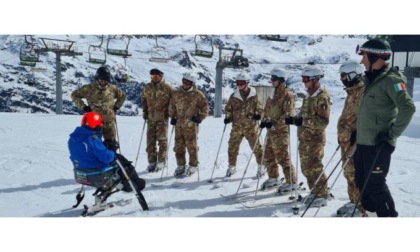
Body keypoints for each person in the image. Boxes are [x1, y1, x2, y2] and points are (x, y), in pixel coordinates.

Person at [355, 38, 415, 217]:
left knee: (375, 185)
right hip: (364, 142)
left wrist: (391, 135)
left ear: (374, 57)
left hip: (379, 145)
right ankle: (373, 216)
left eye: (364, 56)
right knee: (361, 182)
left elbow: (408, 107)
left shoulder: (391, 81)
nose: (361, 60)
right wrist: (356, 133)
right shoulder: (370, 79)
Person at [68, 112, 148, 211]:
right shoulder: (92, 139)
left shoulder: (73, 138)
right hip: (96, 174)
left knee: (115, 158)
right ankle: (134, 184)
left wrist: (103, 146)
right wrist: (112, 150)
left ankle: (114, 187)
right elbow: (107, 158)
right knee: (120, 160)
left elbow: (86, 153)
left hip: (80, 173)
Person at [285, 65, 331, 208]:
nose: (304, 82)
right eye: (303, 79)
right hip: (305, 139)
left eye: (306, 79)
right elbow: (304, 115)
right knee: (306, 168)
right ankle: (315, 191)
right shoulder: (309, 96)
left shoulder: (321, 97)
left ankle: (322, 195)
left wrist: (303, 121)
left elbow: (323, 122)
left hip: (315, 139)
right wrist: (294, 119)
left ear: (315, 80)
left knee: (315, 167)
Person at [336, 60, 366, 217]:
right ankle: (354, 201)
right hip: (347, 141)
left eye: (344, 76)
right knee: (348, 173)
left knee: (357, 174)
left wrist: (358, 134)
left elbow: (368, 117)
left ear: (354, 74)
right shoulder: (352, 92)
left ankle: (362, 207)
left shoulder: (363, 92)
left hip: (357, 143)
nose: (342, 79)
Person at [260, 68, 297, 191]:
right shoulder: (273, 93)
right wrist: (264, 120)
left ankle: (291, 181)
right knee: (268, 154)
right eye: (271, 79)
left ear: (281, 80)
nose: (272, 81)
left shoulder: (287, 94)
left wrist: (274, 124)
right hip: (271, 131)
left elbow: (288, 115)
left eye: (274, 79)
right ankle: (273, 177)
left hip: (280, 131)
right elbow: (267, 109)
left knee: (282, 156)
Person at [71, 66, 126, 144]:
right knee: (95, 144)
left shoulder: (113, 88)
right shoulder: (89, 88)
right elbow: (74, 95)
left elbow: (122, 96)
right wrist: (84, 107)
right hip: (94, 122)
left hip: (109, 121)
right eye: (101, 80)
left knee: (111, 144)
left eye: (105, 80)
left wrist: (117, 106)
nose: (103, 82)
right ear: (97, 78)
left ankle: (111, 155)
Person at [168, 72, 209, 177]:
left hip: (191, 125)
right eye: (184, 81)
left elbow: (205, 108)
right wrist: (172, 117)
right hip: (179, 125)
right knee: (179, 146)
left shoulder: (198, 94)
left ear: (192, 83)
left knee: (191, 146)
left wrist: (199, 117)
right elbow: (172, 106)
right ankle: (181, 165)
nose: (185, 84)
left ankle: (193, 165)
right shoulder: (177, 93)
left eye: (188, 82)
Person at [224, 71, 264, 177]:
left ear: (247, 83)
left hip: (250, 127)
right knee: (232, 146)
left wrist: (258, 114)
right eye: (238, 82)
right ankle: (232, 166)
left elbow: (260, 107)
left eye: (242, 82)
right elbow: (228, 108)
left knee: (256, 147)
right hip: (237, 126)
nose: (239, 85)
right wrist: (228, 117)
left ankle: (261, 166)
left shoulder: (254, 96)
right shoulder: (233, 96)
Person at [141, 68, 174, 173]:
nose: (154, 78)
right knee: (150, 141)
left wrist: (171, 113)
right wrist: (145, 112)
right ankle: (151, 162)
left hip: (162, 118)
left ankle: (161, 161)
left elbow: (174, 101)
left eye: (157, 76)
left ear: (161, 76)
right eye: (152, 76)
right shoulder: (147, 87)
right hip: (151, 118)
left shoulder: (167, 88)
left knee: (162, 140)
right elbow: (144, 101)